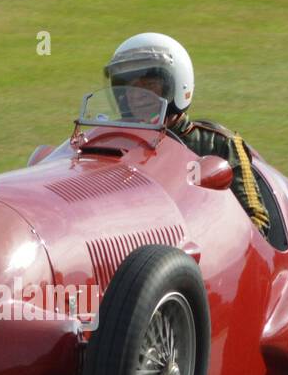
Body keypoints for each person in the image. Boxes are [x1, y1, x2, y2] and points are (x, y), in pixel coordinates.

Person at [103, 32, 270, 234]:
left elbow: (257, 223)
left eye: (149, 86)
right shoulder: (109, 145)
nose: (138, 97)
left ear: (177, 86)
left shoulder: (217, 144)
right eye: (131, 89)